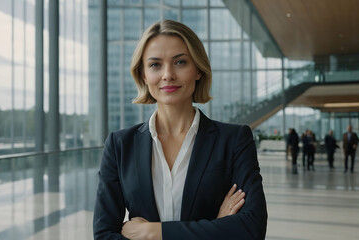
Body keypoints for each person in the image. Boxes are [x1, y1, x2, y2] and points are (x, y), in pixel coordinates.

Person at [93, 20, 267, 239]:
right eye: (155, 65)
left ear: (198, 70)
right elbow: (103, 234)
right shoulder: (120, 145)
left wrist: (153, 232)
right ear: (144, 75)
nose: (168, 75)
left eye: (180, 62)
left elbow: (252, 229)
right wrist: (216, 226)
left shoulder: (234, 140)